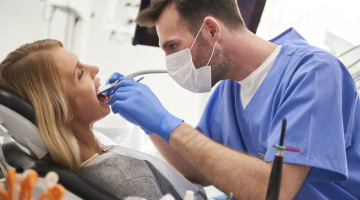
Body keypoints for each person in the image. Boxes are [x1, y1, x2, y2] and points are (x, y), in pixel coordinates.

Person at [105, 0, 360, 199]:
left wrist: (167, 123)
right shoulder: (227, 91)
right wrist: (151, 125)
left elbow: (274, 190)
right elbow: (199, 168)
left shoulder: (314, 73)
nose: (170, 63)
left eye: (172, 46)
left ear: (211, 29)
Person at [0, 39, 207, 200]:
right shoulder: (126, 177)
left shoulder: (90, 161)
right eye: (80, 73)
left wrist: (150, 127)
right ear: (63, 111)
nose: (95, 69)